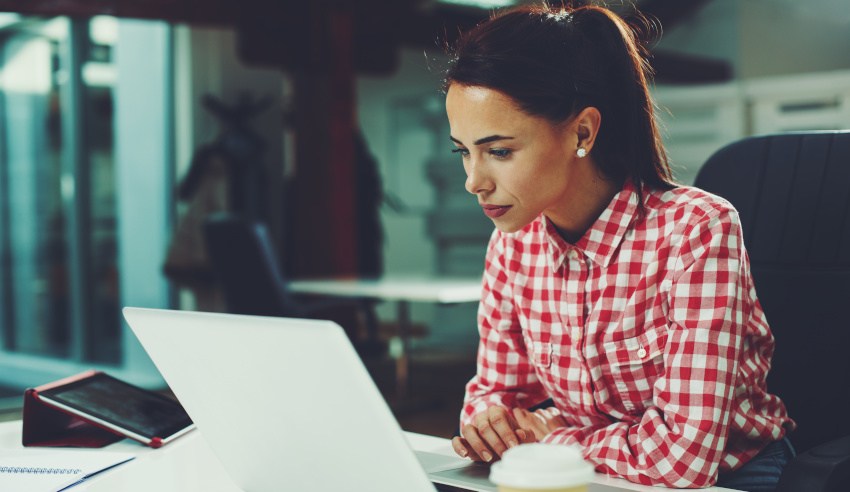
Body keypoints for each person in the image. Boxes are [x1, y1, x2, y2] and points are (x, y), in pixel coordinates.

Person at [442, 3, 795, 490]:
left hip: (730, 475)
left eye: (499, 151)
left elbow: (682, 461)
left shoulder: (697, 230)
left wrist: (549, 438)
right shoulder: (513, 244)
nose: (473, 182)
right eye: (464, 151)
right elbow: (493, 397)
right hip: (596, 472)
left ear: (582, 132)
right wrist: (489, 427)